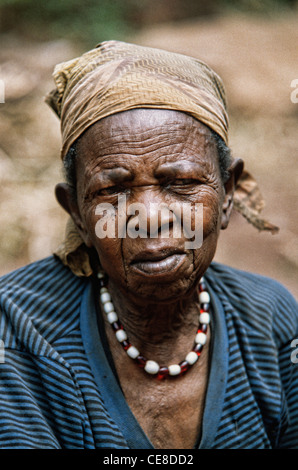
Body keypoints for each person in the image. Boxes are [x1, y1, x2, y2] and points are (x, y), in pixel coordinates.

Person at [0, 40, 297, 450]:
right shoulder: (15, 330)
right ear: (77, 214)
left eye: (181, 183)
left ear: (227, 193)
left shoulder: (270, 319)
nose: (150, 216)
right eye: (113, 190)